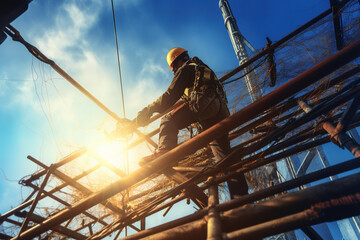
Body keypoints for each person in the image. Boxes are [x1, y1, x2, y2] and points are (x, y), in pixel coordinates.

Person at [135, 47, 248, 198]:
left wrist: (147, 111)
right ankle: (240, 197)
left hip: (205, 105)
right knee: (223, 156)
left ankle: (164, 152)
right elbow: (185, 98)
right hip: (220, 110)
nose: (174, 71)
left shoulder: (186, 68)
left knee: (168, 119)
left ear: (178, 61)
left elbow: (169, 96)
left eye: (174, 67)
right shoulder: (200, 70)